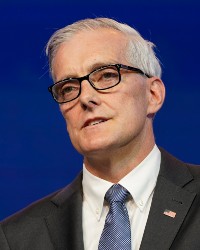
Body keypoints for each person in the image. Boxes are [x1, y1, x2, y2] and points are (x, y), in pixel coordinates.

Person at [1, 17, 200, 250]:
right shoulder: (15, 239)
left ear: (153, 95)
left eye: (106, 75)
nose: (85, 98)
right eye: (69, 88)